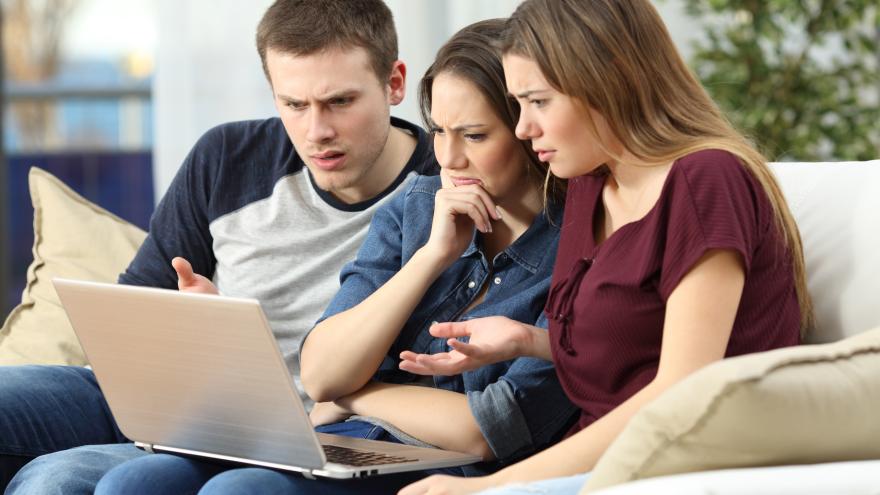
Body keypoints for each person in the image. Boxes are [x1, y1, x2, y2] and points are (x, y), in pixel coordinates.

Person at [86, 18, 577, 495]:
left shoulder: (575, 245)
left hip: (443, 466)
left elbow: (486, 427)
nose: (448, 158)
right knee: (136, 481)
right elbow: (321, 371)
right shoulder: (417, 207)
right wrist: (431, 256)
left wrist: (356, 395)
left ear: (529, 130)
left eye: (473, 135)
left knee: (242, 490)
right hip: (348, 444)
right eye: (439, 132)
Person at [0, 0, 438, 492]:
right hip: (183, 405)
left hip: (322, 434)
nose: (317, 132)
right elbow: (134, 315)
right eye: (293, 104)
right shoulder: (227, 157)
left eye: (340, 102)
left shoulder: (439, 198)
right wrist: (200, 332)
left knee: (54, 481)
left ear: (394, 83)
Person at [397, 1, 812, 494]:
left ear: (606, 80)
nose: (525, 128)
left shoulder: (707, 181)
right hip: (608, 463)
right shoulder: (592, 184)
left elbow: (679, 394)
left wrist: (495, 488)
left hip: (682, 468)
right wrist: (527, 340)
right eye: (519, 104)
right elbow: (636, 351)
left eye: (538, 101)